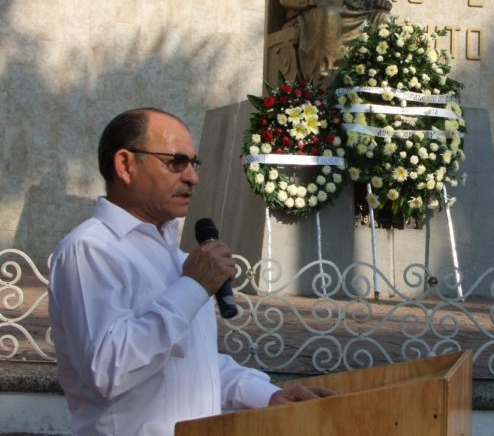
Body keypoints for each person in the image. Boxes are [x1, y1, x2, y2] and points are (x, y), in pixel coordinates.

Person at [48, 108, 335, 436]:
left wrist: (268, 394)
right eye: (176, 162)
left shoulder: (175, 257)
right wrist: (193, 287)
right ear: (125, 165)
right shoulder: (90, 249)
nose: (192, 178)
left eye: (193, 164)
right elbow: (109, 371)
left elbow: (192, 365)